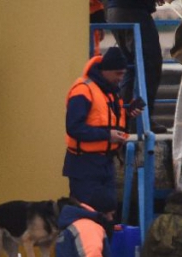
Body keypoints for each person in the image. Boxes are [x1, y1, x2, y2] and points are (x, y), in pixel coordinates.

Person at [64, 46, 141, 209]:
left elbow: (105, 120)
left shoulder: (111, 92)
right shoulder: (83, 90)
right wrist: (108, 135)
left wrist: (127, 115)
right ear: (106, 70)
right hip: (84, 165)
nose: (121, 78)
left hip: (105, 163)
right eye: (118, 74)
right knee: (86, 212)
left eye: (123, 74)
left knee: (108, 213)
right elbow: (74, 128)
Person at [106, 0, 170, 134]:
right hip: (133, 11)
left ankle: (122, 118)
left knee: (132, 67)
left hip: (115, 11)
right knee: (149, 65)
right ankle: (140, 119)